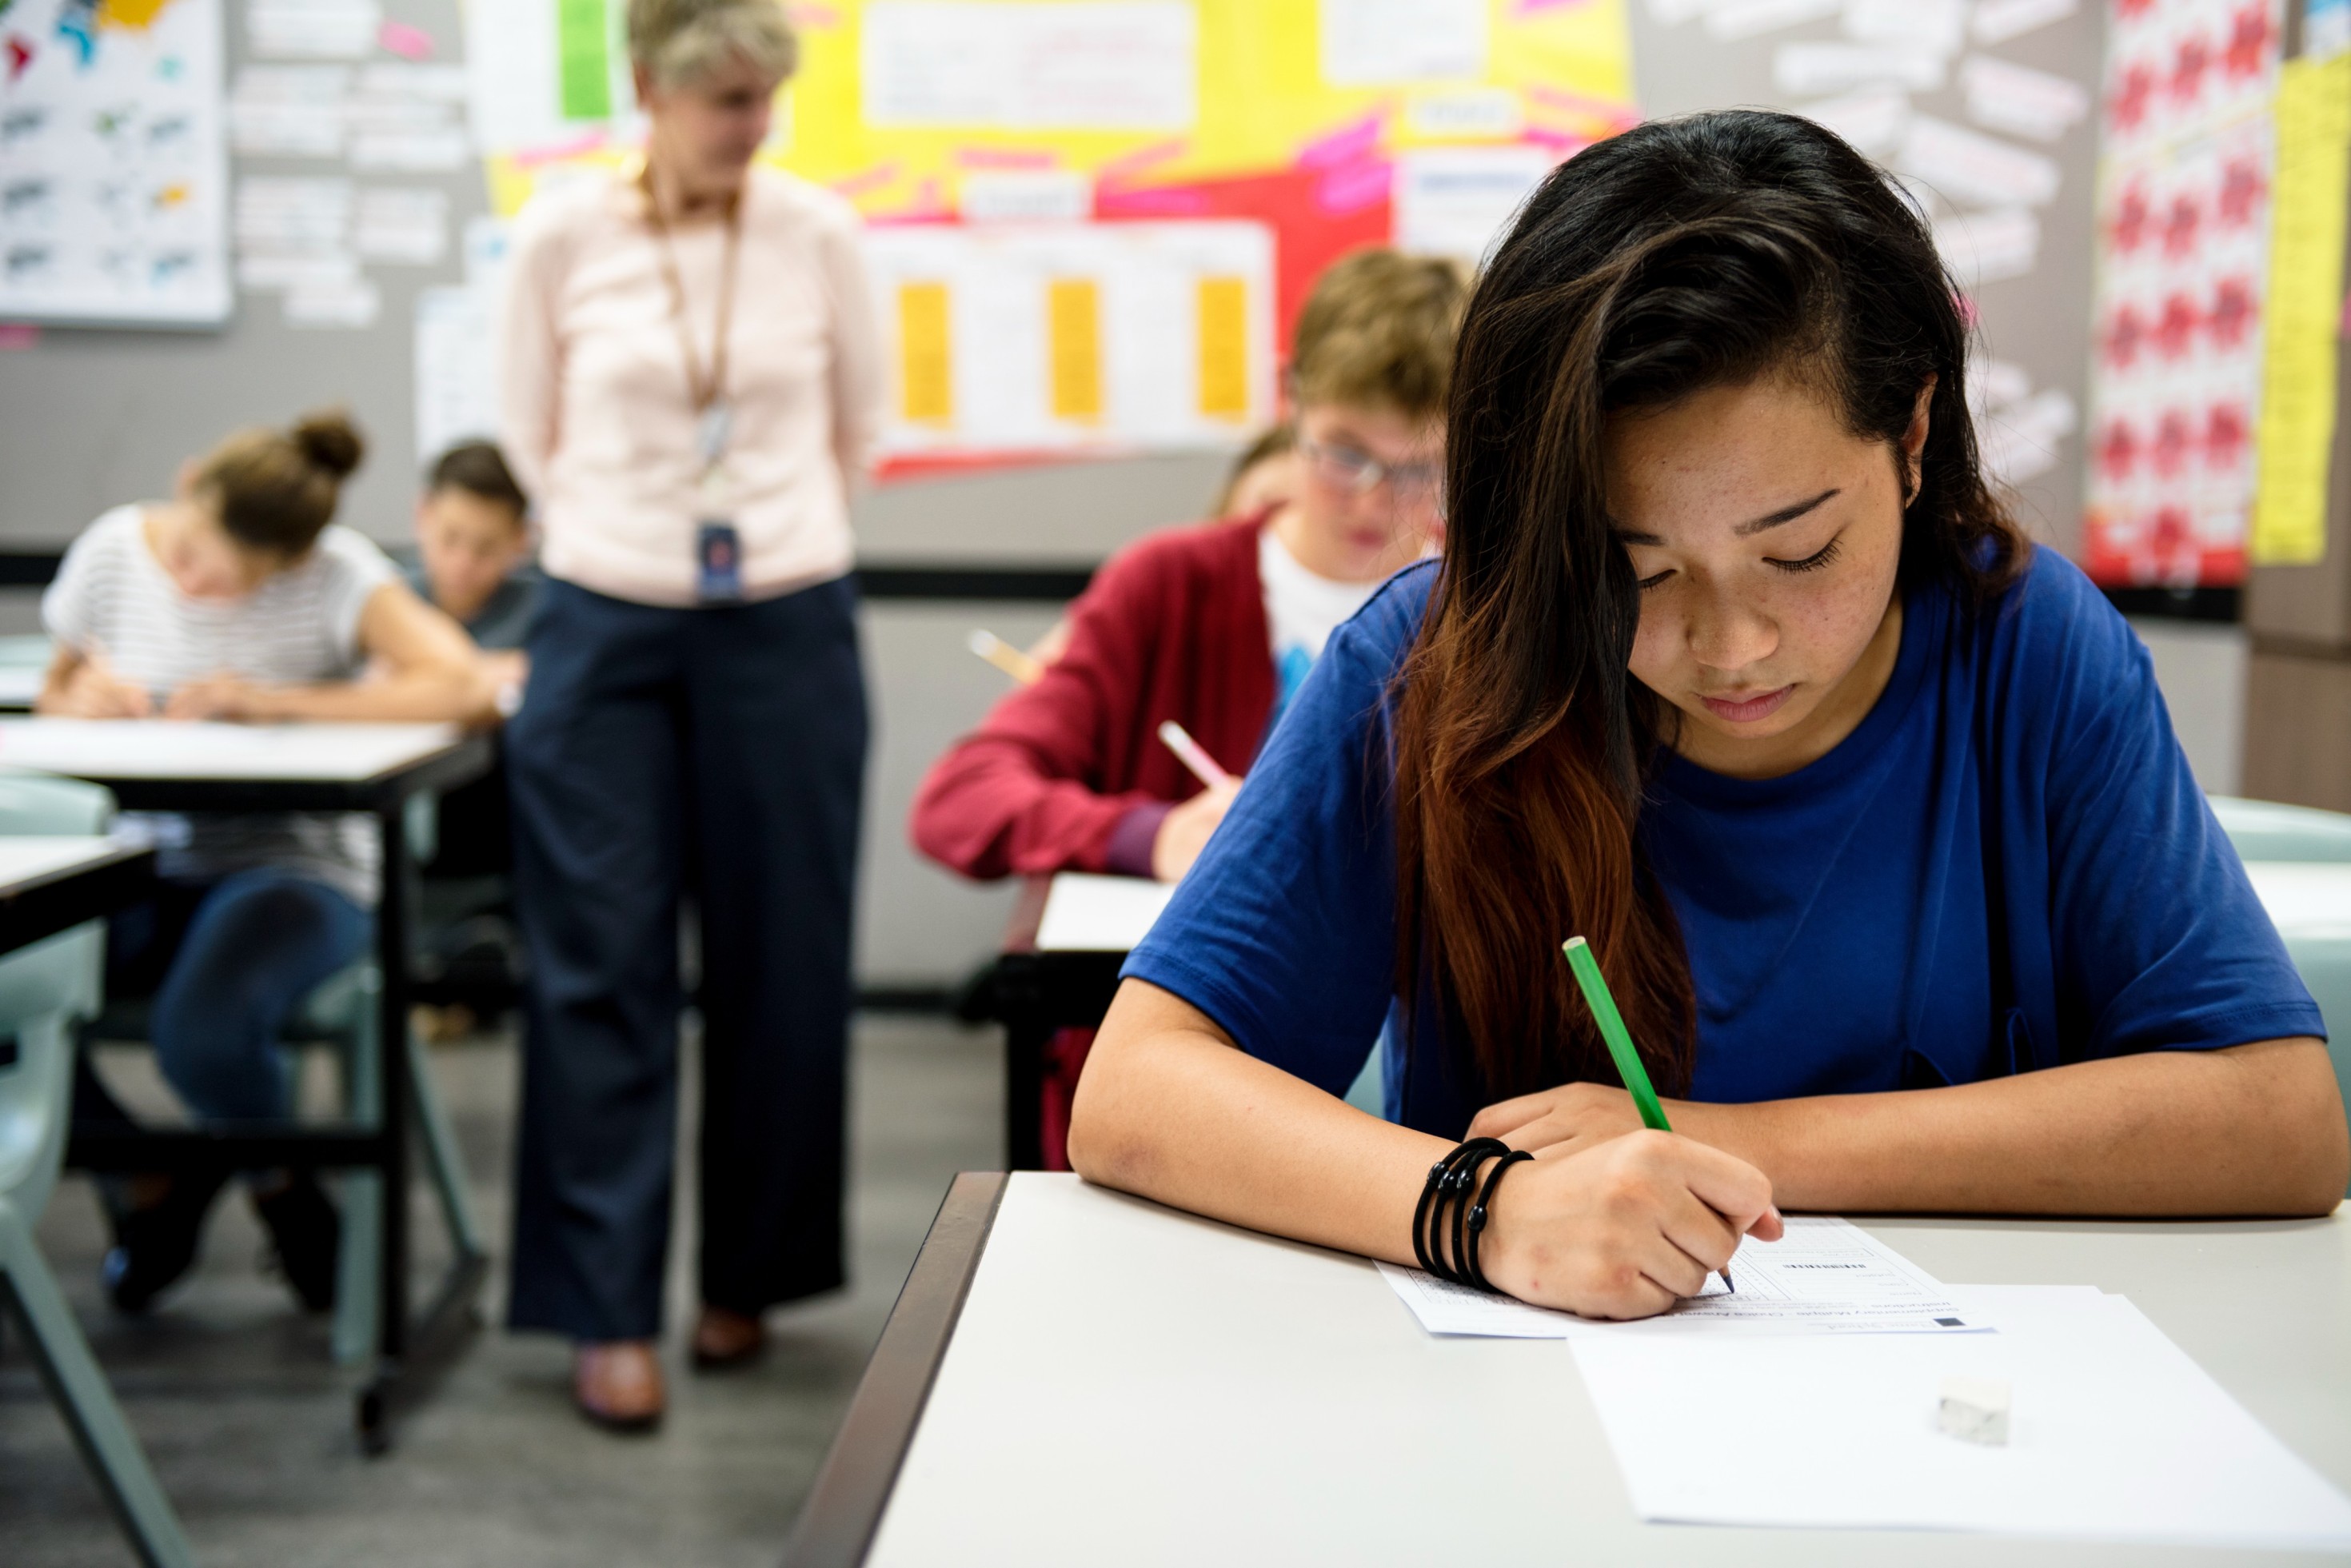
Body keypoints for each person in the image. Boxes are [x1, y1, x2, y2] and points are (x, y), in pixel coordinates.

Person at [1068, 111, 2348, 1323]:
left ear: (1910, 438)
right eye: (1635, 570)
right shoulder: (1436, 659)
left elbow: (2278, 1123)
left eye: (1801, 554)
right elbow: (1134, 1092)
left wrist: (1718, 1139)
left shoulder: (2025, 649)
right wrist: (1486, 1213)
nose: (1731, 646)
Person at [498, 0, 882, 1430]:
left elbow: (862, 425)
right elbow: (532, 428)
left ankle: (753, 1274)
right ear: (648, 85)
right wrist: (636, 542)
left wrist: (768, 538)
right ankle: (603, 1308)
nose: (751, 124)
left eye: (766, 97)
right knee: (599, 959)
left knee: (783, 958)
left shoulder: (817, 234)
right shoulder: (560, 235)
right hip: (604, 617)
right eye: (724, 96)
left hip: (783, 612)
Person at [909, 249, 1467, 1168]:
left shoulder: (1480, 604)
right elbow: (961, 797)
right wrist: (1150, 835)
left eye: (1420, 469)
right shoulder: (1172, 586)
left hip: (1429, 1114)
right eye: (1346, 455)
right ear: (1290, 403)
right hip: (1191, 1106)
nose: (1378, 501)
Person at [42, 409, 489, 1316]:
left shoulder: (338, 574)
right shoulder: (113, 552)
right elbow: (56, 683)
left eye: (233, 582)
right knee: (16, 984)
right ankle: (150, 1174)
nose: (200, 590)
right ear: (188, 481)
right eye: (194, 559)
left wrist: (277, 703)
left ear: (286, 566)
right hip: (144, 858)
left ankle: (279, 1185)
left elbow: (466, 684)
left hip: (294, 868)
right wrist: (76, 694)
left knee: (202, 1032)